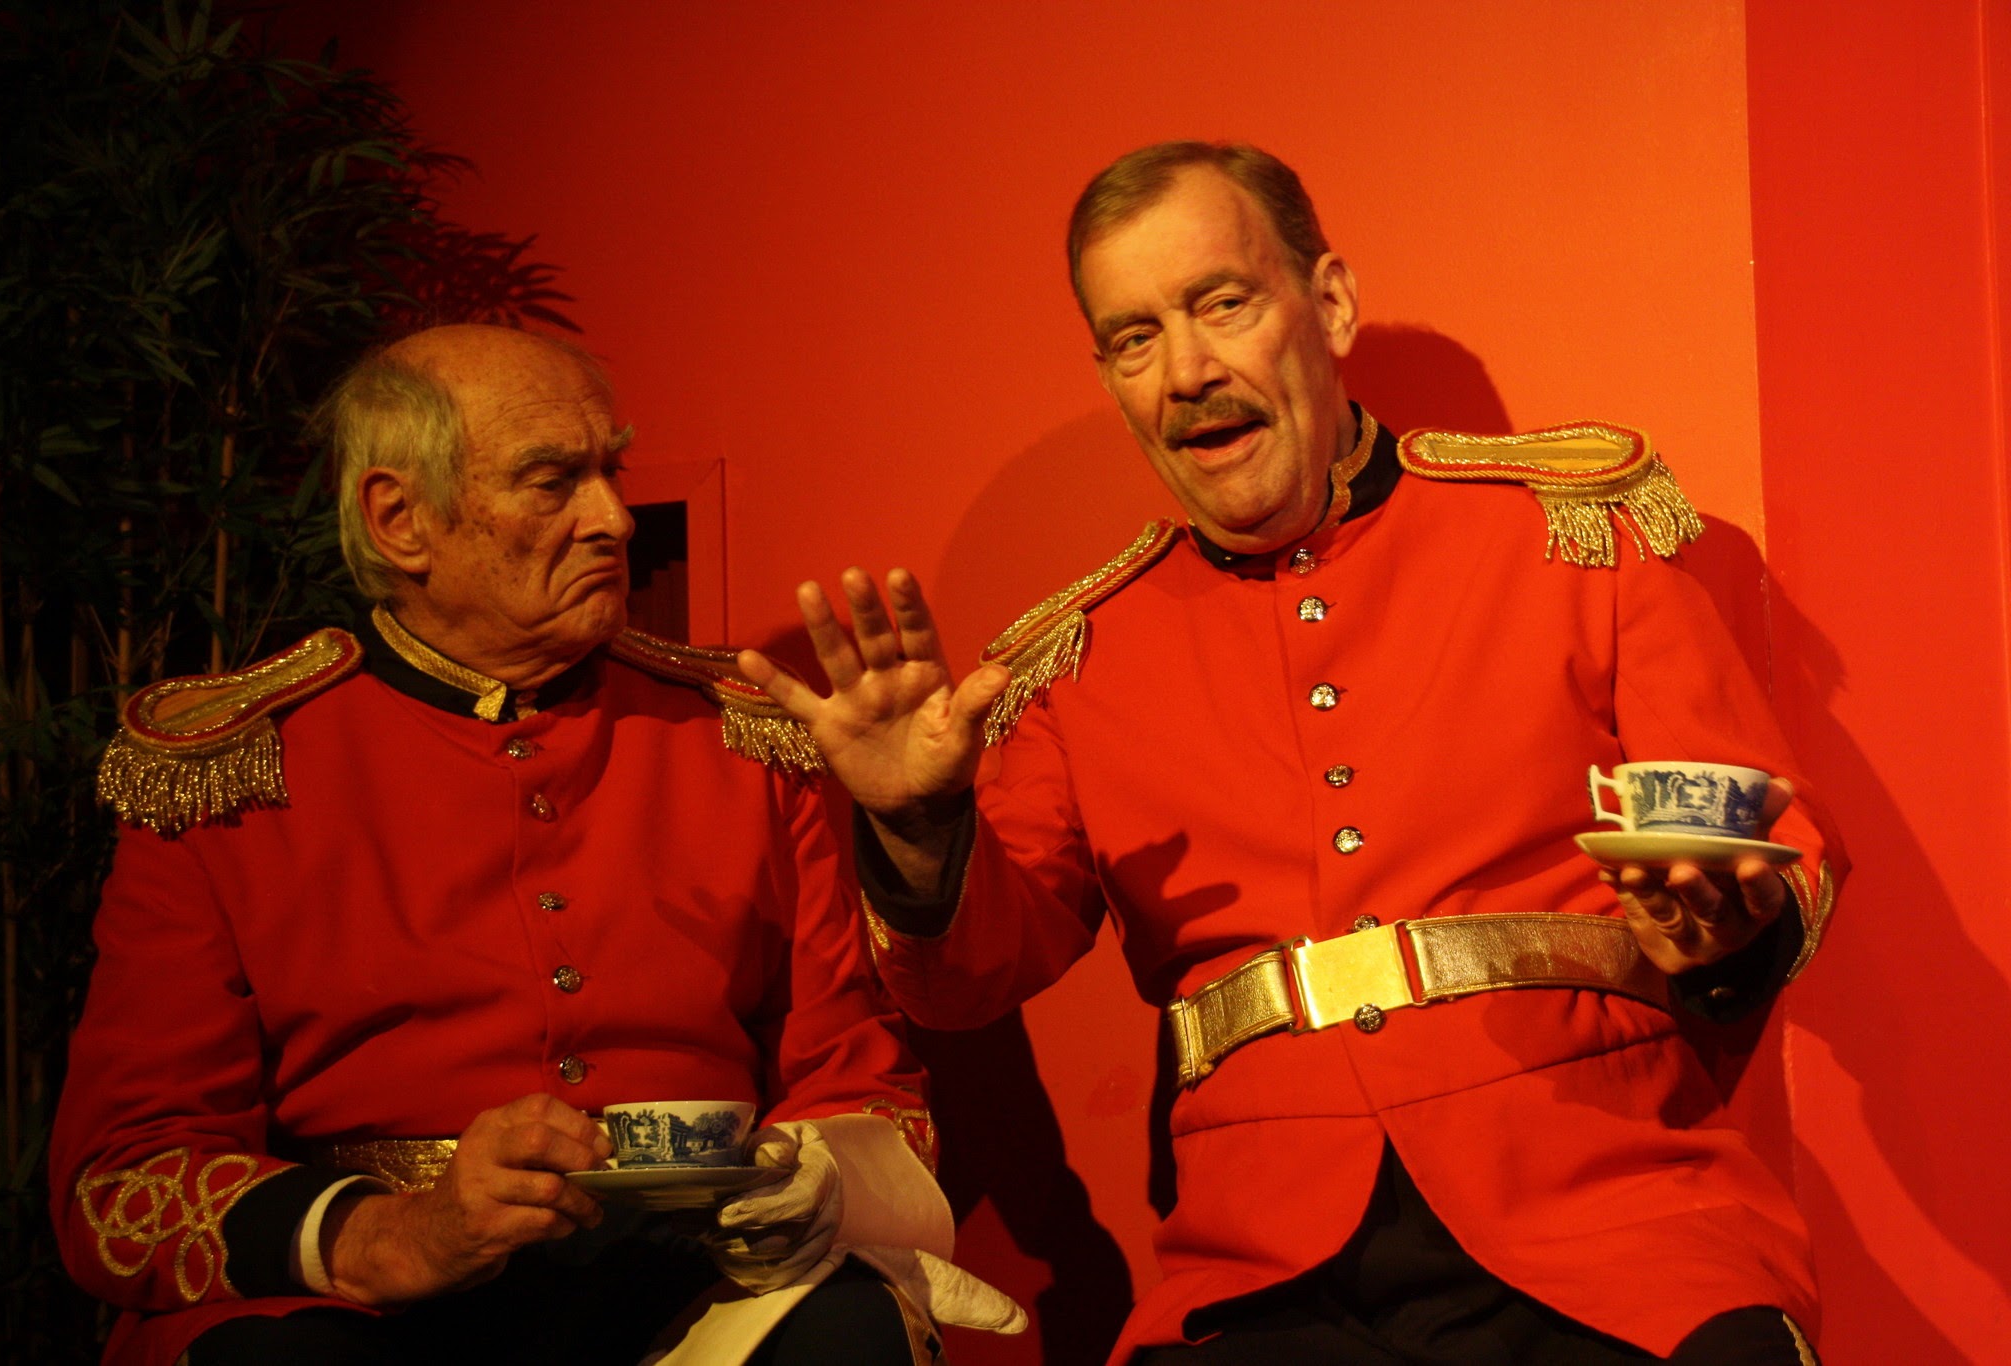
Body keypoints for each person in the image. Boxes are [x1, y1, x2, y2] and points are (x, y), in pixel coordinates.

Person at [740, 143, 1845, 1364]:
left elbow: (1770, 830)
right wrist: (917, 824)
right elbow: (968, 976)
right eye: (1134, 338)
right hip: (1259, 1274)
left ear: (1328, 304)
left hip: (1611, 1223)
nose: (1186, 372)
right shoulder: (1073, 661)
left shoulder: (1572, 538)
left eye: (1221, 303)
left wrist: (1724, 912)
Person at [50, 324, 1021, 1366]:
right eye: (553, 482)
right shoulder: (228, 771)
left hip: (696, 1284)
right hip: (368, 1305)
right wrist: (389, 1235)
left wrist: (807, 1183)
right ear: (399, 520)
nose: (614, 519)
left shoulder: (742, 740)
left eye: (611, 472)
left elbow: (861, 1084)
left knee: (850, 1332)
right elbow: (123, 1178)